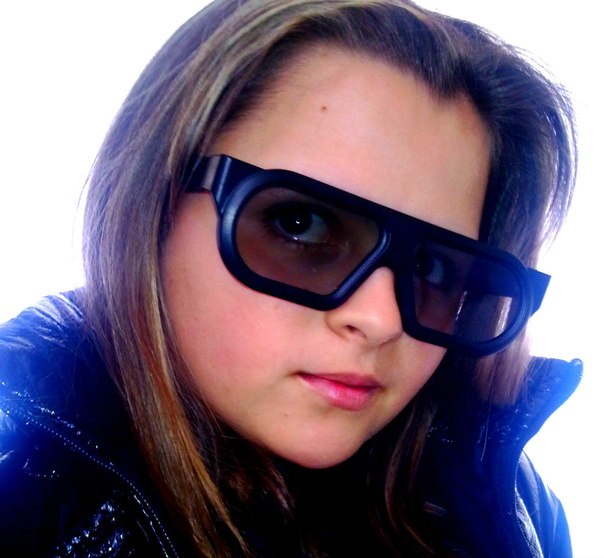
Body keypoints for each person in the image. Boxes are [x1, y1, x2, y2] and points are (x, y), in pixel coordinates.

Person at [0, 0, 580, 556]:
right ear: (154, 203)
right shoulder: (18, 489)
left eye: (434, 268)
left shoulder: (512, 509)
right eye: (299, 223)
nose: (382, 319)